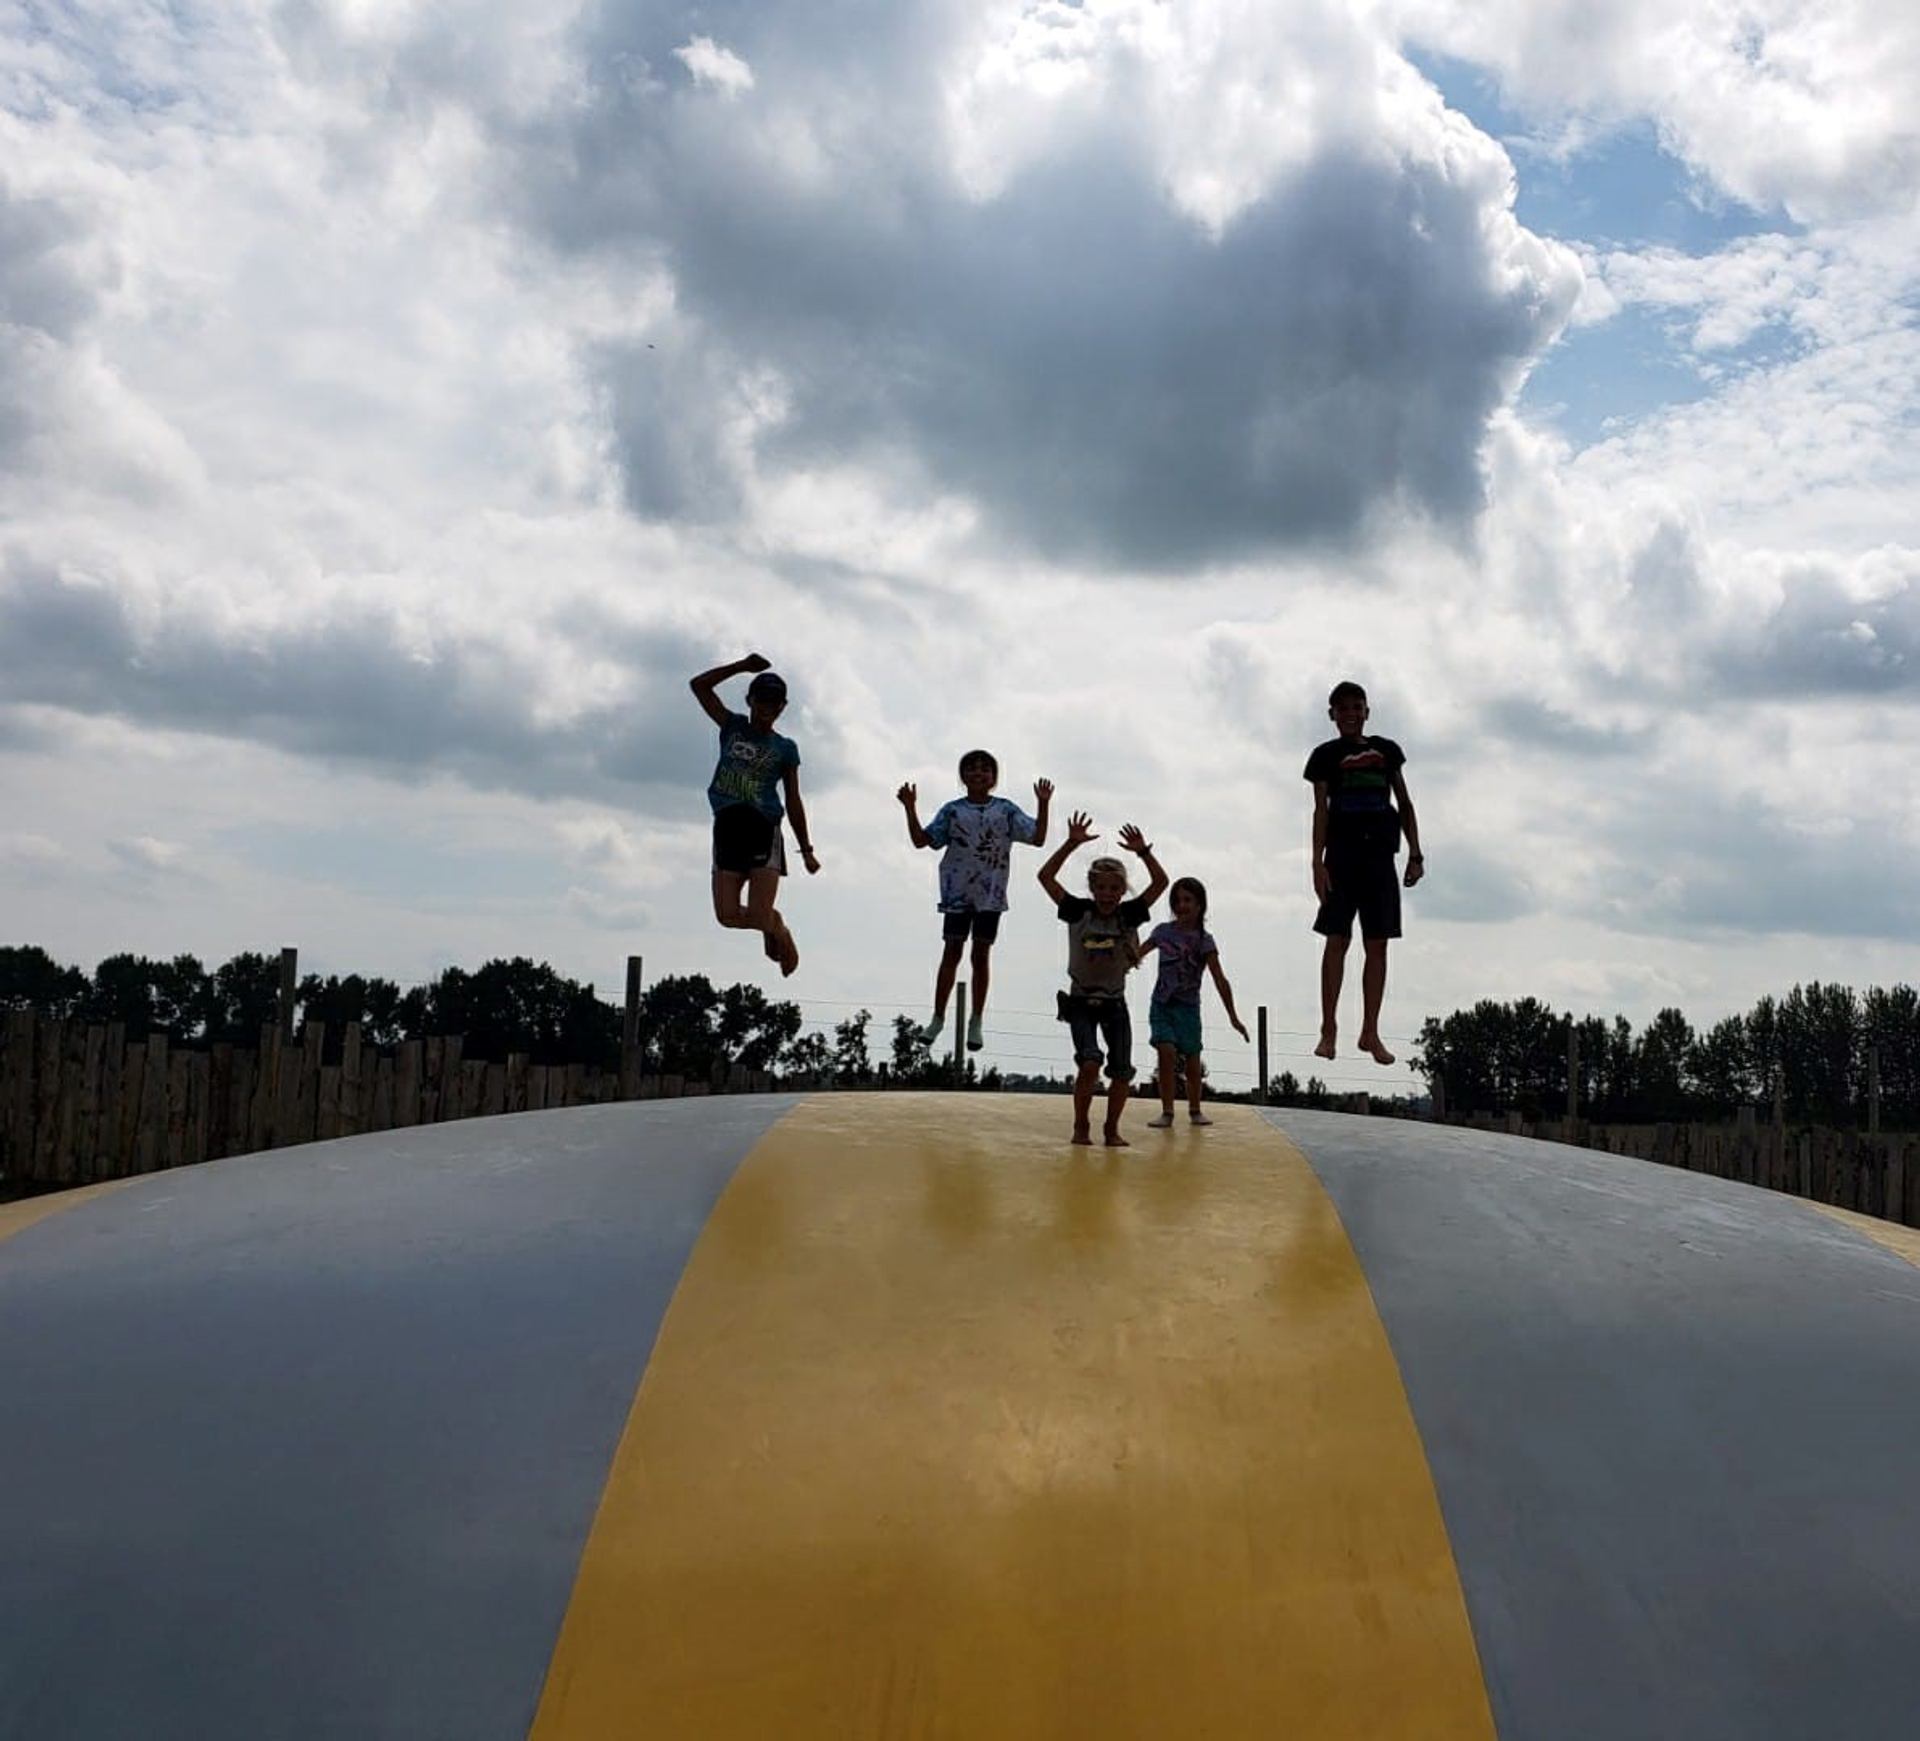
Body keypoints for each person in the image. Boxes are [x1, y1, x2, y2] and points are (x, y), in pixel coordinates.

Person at [897, 752, 1053, 1052]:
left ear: (994, 777)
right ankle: (938, 1017)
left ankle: (976, 1020)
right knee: (952, 952)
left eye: (985, 769)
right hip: (958, 893)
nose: (978, 773)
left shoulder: (1005, 810)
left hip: (989, 895)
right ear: (963, 776)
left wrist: (1043, 804)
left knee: (980, 956)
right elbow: (922, 840)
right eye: (971, 769)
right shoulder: (953, 810)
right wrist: (910, 807)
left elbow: (1038, 837)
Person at [1304, 680, 1423, 1064]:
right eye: (1343, 709)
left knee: (1378, 943)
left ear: (1367, 711)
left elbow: (1404, 802)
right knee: (1336, 939)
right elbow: (1321, 810)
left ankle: (1370, 1031)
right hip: (1342, 855)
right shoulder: (1325, 755)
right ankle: (1328, 1028)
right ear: (1333, 715)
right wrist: (1317, 861)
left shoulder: (1386, 751)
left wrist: (1416, 853)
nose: (1350, 714)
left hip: (1380, 855)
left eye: (1357, 707)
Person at [1037, 813, 1168, 1146]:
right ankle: (1081, 1125)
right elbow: (1045, 877)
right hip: (1081, 1001)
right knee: (1090, 1061)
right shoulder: (1078, 911)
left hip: (1114, 1003)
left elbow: (1160, 883)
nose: (1107, 895)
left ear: (1122, 891)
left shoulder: (1129, 915)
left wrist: (1143, 852)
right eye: (1101, 888)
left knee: (1122, 1069)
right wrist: (1071, 843)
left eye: (1114, 889)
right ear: (1092, 888)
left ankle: (1111, 1129)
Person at [690, 653, 819, 976]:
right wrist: (741, 667)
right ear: (750, 700)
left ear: (782, 707)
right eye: (761, 700)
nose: (766, 707)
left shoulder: (785, 748)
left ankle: (776, 929)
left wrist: (806, 850)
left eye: (774, 702)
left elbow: (793, 799)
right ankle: (773, 925)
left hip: (763, 826)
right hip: (728, 825)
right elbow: (699, 686)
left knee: (760, 914)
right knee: (727, 915)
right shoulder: (732, 726)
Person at [1138, 877, 1250, 1127]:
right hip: (1162, 1004)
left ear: (1200, 905)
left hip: (1188, 1008)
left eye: (1188, 900)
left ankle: (1195, 1109)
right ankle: (1167, 1111)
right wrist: (1125, 956)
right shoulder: (1162, 932)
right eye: (1177, 901)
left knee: (1192, 1060)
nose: (1182, 905)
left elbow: (1220, 978)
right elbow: (1138, 954)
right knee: (1166, 1052)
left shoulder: (1204, 940)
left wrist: (1233, 1016)